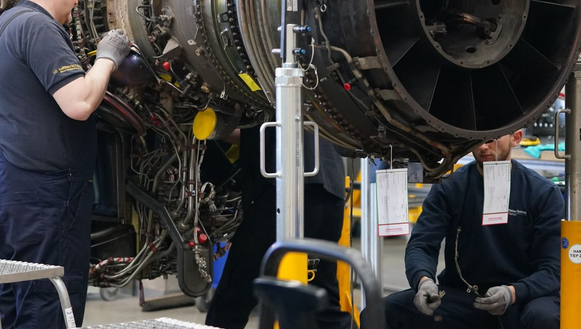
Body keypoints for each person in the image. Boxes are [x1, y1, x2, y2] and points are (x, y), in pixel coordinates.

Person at [0, 0, 132, 329]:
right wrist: (107, 57)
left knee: (13, 313)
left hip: (7, 198)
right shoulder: (37, 26)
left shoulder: (3, 25)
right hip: (44, 203)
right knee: (48, 310)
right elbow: (79, 103)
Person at [374, 129, 563, 329]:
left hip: (523, 298)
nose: (483, 147)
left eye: (491, 139)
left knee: (545, 316)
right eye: (476, 140)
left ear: (516, 138)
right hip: (465, 295)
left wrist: (513, 292)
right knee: (381, 311)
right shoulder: (451, 186)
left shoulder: (542, 192)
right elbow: (421, 244)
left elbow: (554, 268)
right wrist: (423, 281)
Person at [205, 126, 352, 329]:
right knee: (326, 303)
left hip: (281, 196)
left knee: (231, 300)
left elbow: (239, 133)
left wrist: (210, 127)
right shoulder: (316, 97)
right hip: (330, 195)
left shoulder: (272, 93)